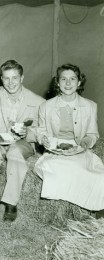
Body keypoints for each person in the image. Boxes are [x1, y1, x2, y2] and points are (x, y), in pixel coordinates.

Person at [0, 60, 45, 221]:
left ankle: (10, 203)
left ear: (22, 78)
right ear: (1, 79)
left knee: (15, 153)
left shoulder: (38, 102)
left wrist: (27, 132)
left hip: (22, 144)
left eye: (15, 78)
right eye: (6, 78)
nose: (11, 82)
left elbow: (42, 131)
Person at [34, 63, 104, 219]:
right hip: (54, 151)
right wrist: (43, 139)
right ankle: (85, 209)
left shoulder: (90, 106)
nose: (68, 83)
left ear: (79, 83)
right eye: (63, 79)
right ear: (57, 83)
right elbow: (41, 131)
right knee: (65, 168)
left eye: (72, 79)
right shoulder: (46, 106)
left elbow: (93, 133)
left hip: (79, 150)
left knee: (100, 176)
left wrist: (86, 142)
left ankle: (97, 207)